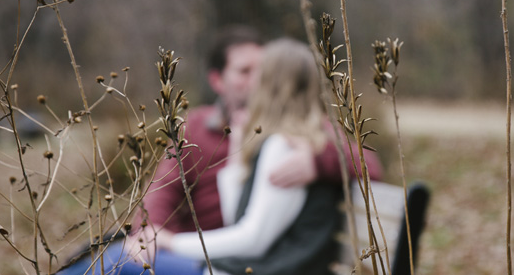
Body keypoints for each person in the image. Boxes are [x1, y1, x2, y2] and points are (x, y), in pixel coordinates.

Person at [50, 38, 354, 275]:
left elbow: (254, 238)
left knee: (127, 264)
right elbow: (236, 214)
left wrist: (168, 242)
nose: (253, 82)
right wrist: (240, 156)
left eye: (259, 73)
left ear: (273, 82)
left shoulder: (287, 148)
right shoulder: (283, 141)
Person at [137, 25, 381, 233]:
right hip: (199, 250)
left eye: (262, 70)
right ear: (217, 81)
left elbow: (368, 164)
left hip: (245, 264)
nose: (257, 80)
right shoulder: (196, 127)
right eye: (245, 71)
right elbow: (162, 191)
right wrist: (149, 234)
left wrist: (318, 163)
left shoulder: (293, 127)